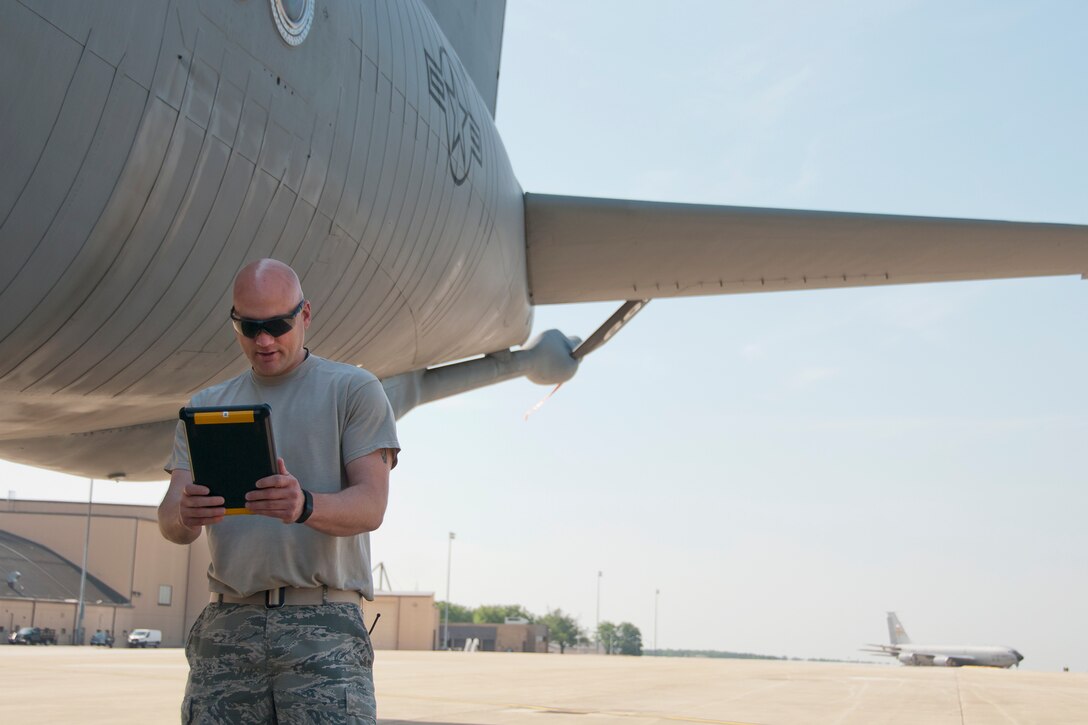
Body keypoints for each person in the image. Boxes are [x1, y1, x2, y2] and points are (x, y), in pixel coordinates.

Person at [158, 259, 399, 724]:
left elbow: (372, 506)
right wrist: (185, 515)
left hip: (322, 627)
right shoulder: (206, 407)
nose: (264, 340)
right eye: (249, 327)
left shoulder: (353, 390)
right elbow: (170, 520)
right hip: (228, 625)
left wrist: (304, 505)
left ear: (305, 315)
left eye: (277, 325)